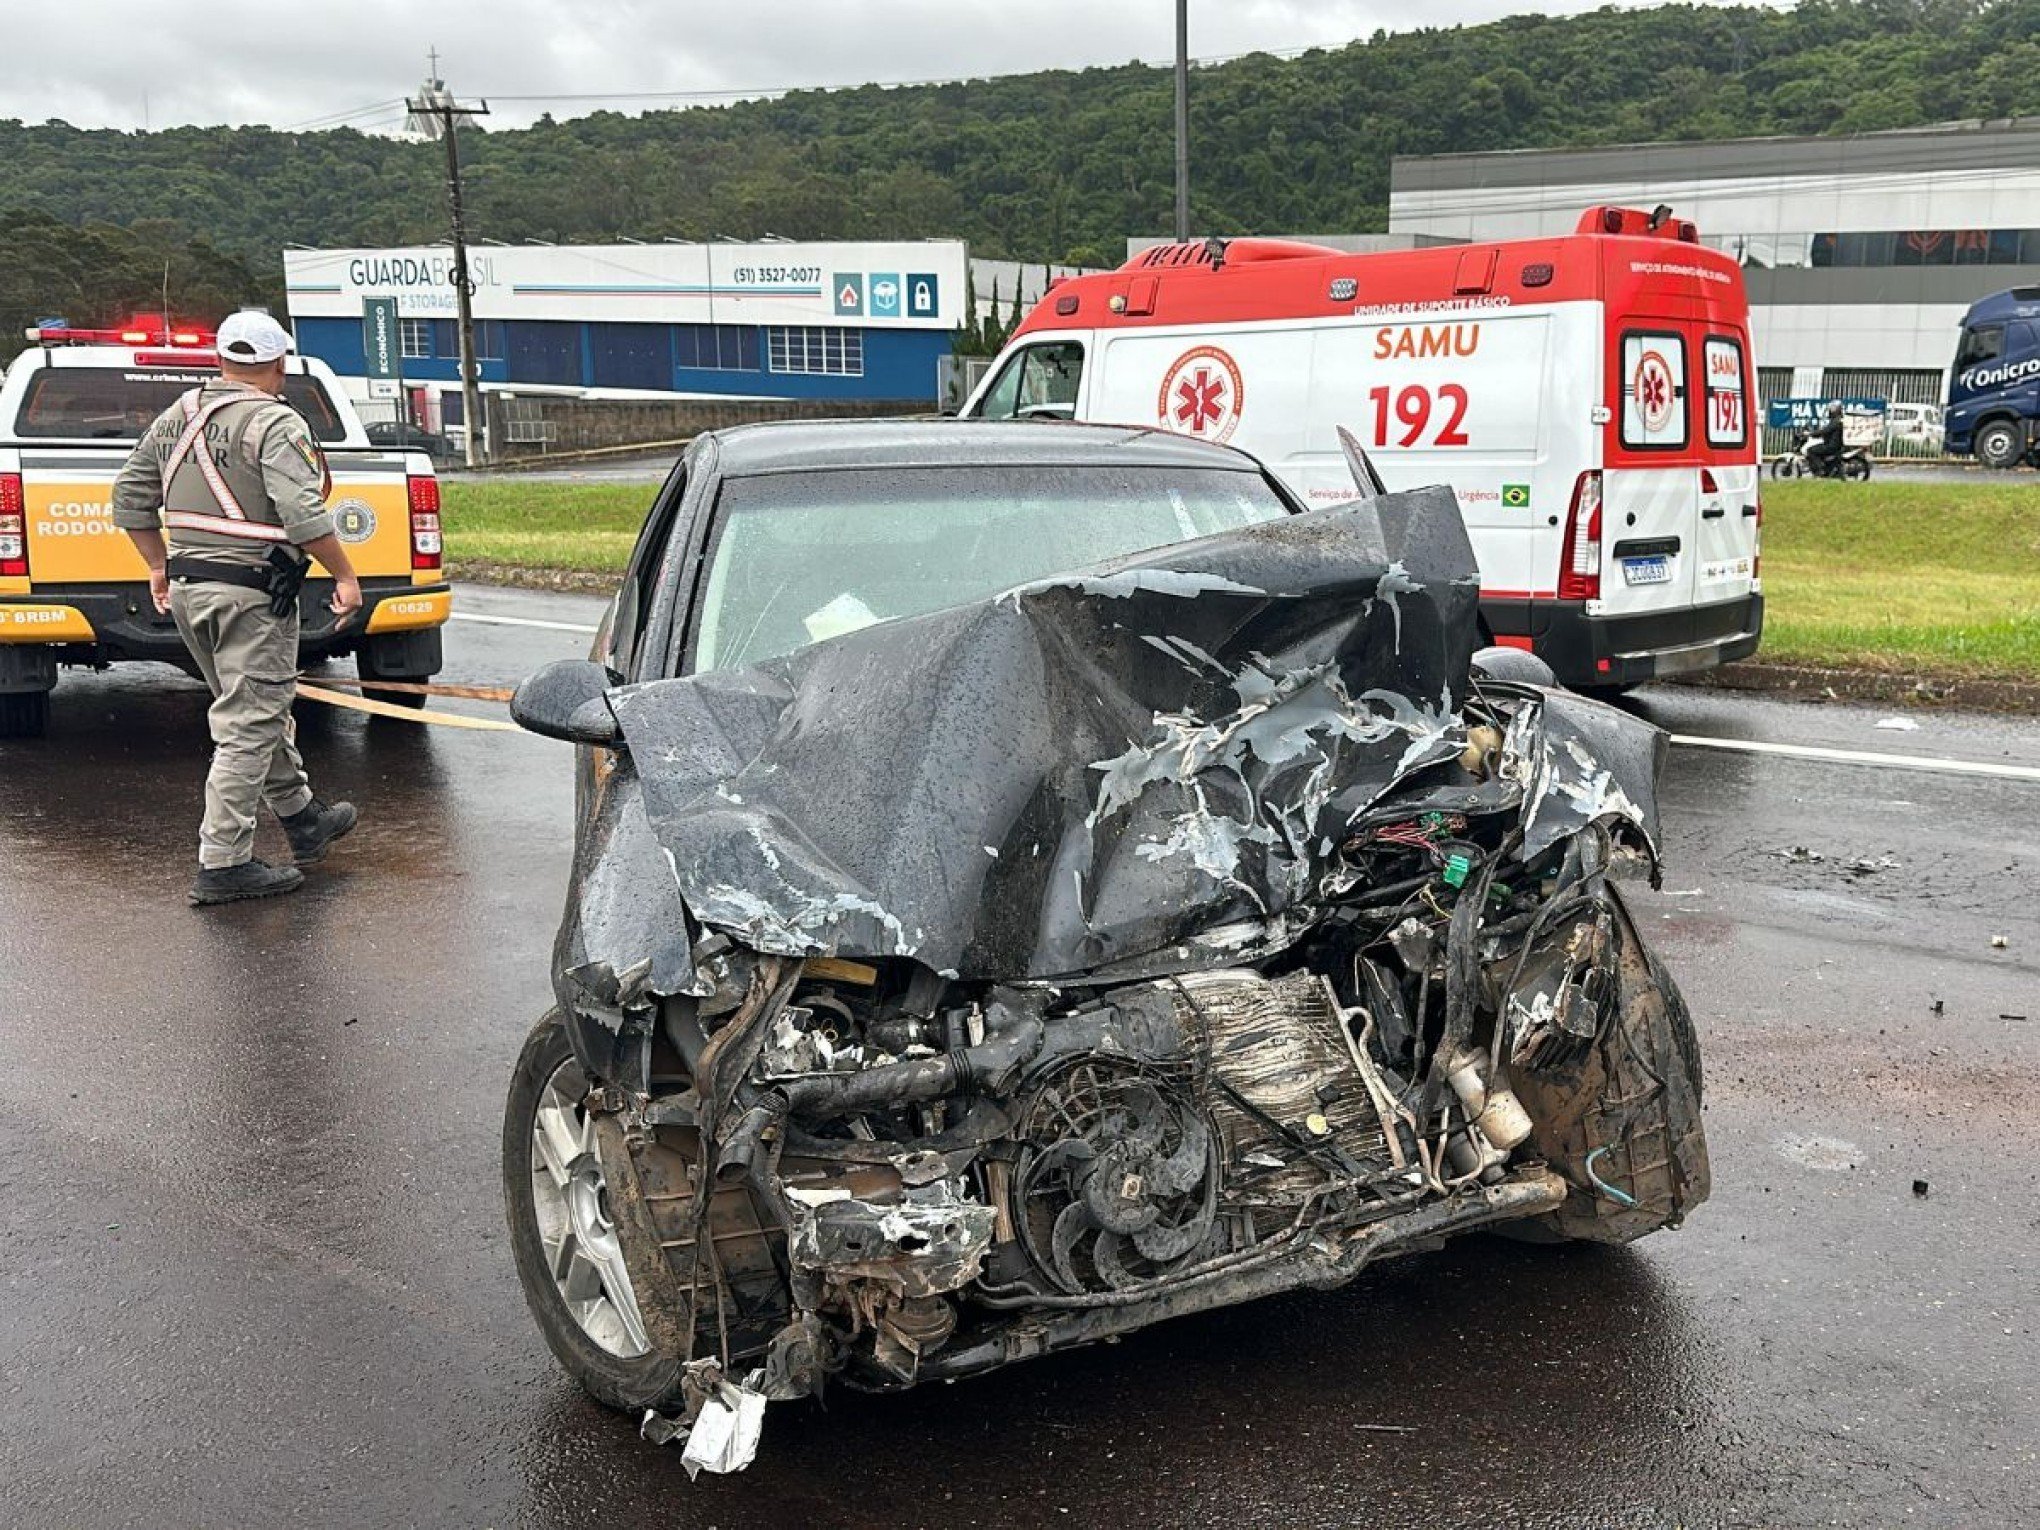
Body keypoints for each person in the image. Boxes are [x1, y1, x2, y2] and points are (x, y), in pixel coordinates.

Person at [112, 310, 363, 906]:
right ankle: (223, 862)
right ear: (278, 363)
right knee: (248, 723)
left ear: (221, 361)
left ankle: (303, 818)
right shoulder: (275, 421)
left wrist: (156, 564)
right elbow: (302, 515)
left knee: (253, 706)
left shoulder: (180, 415)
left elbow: (128, 498)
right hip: (251, 595)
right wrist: (345, 576)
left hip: (190, 592)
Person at [1805, 401, 1846, 476]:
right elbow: (1826, 431)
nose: (1829, 411)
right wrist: (1816, 433)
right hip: (1835, 445)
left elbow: (1825, 431)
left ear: (1835, 410)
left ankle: (1821, 469)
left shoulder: (1836, 421)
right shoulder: (1838, 420)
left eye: (1831, 409)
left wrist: (1810, 433)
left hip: (1831, 446)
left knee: (1810, 450)